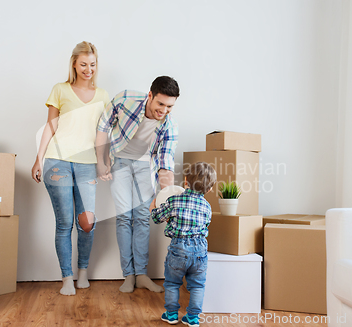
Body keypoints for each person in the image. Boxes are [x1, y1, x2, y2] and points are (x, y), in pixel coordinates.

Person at [31, 41, 110, 296]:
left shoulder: (103, 96)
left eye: (93, 65)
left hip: (87, 164)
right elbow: (50, 127)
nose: (89, 69)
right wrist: (38, 158)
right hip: (58, 160)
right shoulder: (60, 89)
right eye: (84, 64)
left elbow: (103, 134)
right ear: (74, 63)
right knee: (64, 222)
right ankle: (66, 277)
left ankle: (83, 271)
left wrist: (103, 162)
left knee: (87, 222)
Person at [95, 76, 180, 293]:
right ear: (150, 96)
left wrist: (167, 198)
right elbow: (103, 123)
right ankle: (128, 276)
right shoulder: (126, 99)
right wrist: (101, 160)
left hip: (146, 166)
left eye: (170, 106)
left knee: (142, 218)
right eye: (160, 104)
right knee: (124, 217)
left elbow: (165, 164)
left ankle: (141, 275)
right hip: (120, 161)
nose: (164, 111)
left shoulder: (169, 125)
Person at [150, 162, 217, 327]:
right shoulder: (207, 207)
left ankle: (172, 314)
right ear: (209, 189)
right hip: (200, 249)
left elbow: (157, 218)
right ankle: (193, 317)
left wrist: (153, 207)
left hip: (178, 249)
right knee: (197, 285)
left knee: (172, 283)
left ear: (185, 181)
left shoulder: (174, 200)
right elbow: (205, 226)